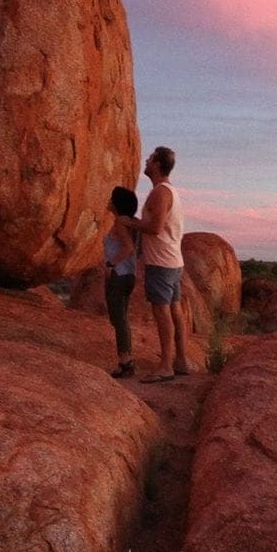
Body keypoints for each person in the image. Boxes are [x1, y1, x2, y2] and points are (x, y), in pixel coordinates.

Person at [129, 145, 193, 382]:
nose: (146, 161)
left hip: (161, 261)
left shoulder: (160, 193)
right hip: (173, 260)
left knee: (162, 311)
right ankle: (181, 361)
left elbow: (155, 228)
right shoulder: (170, 191)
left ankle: (166, 365)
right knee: (175, 310)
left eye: (150, 159)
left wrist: (129, 222)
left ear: (157, 164)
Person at [101, 186, 140, 378]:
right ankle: (127, 359)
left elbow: (129, 248)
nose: (108, 201)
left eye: (111, 198)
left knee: (119, 319)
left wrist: (110, 263)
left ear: (117, 203)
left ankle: (125, 362)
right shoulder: (130, 222)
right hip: (128, 275)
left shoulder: (120, 223)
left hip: (120, 275)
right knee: (121, 318)